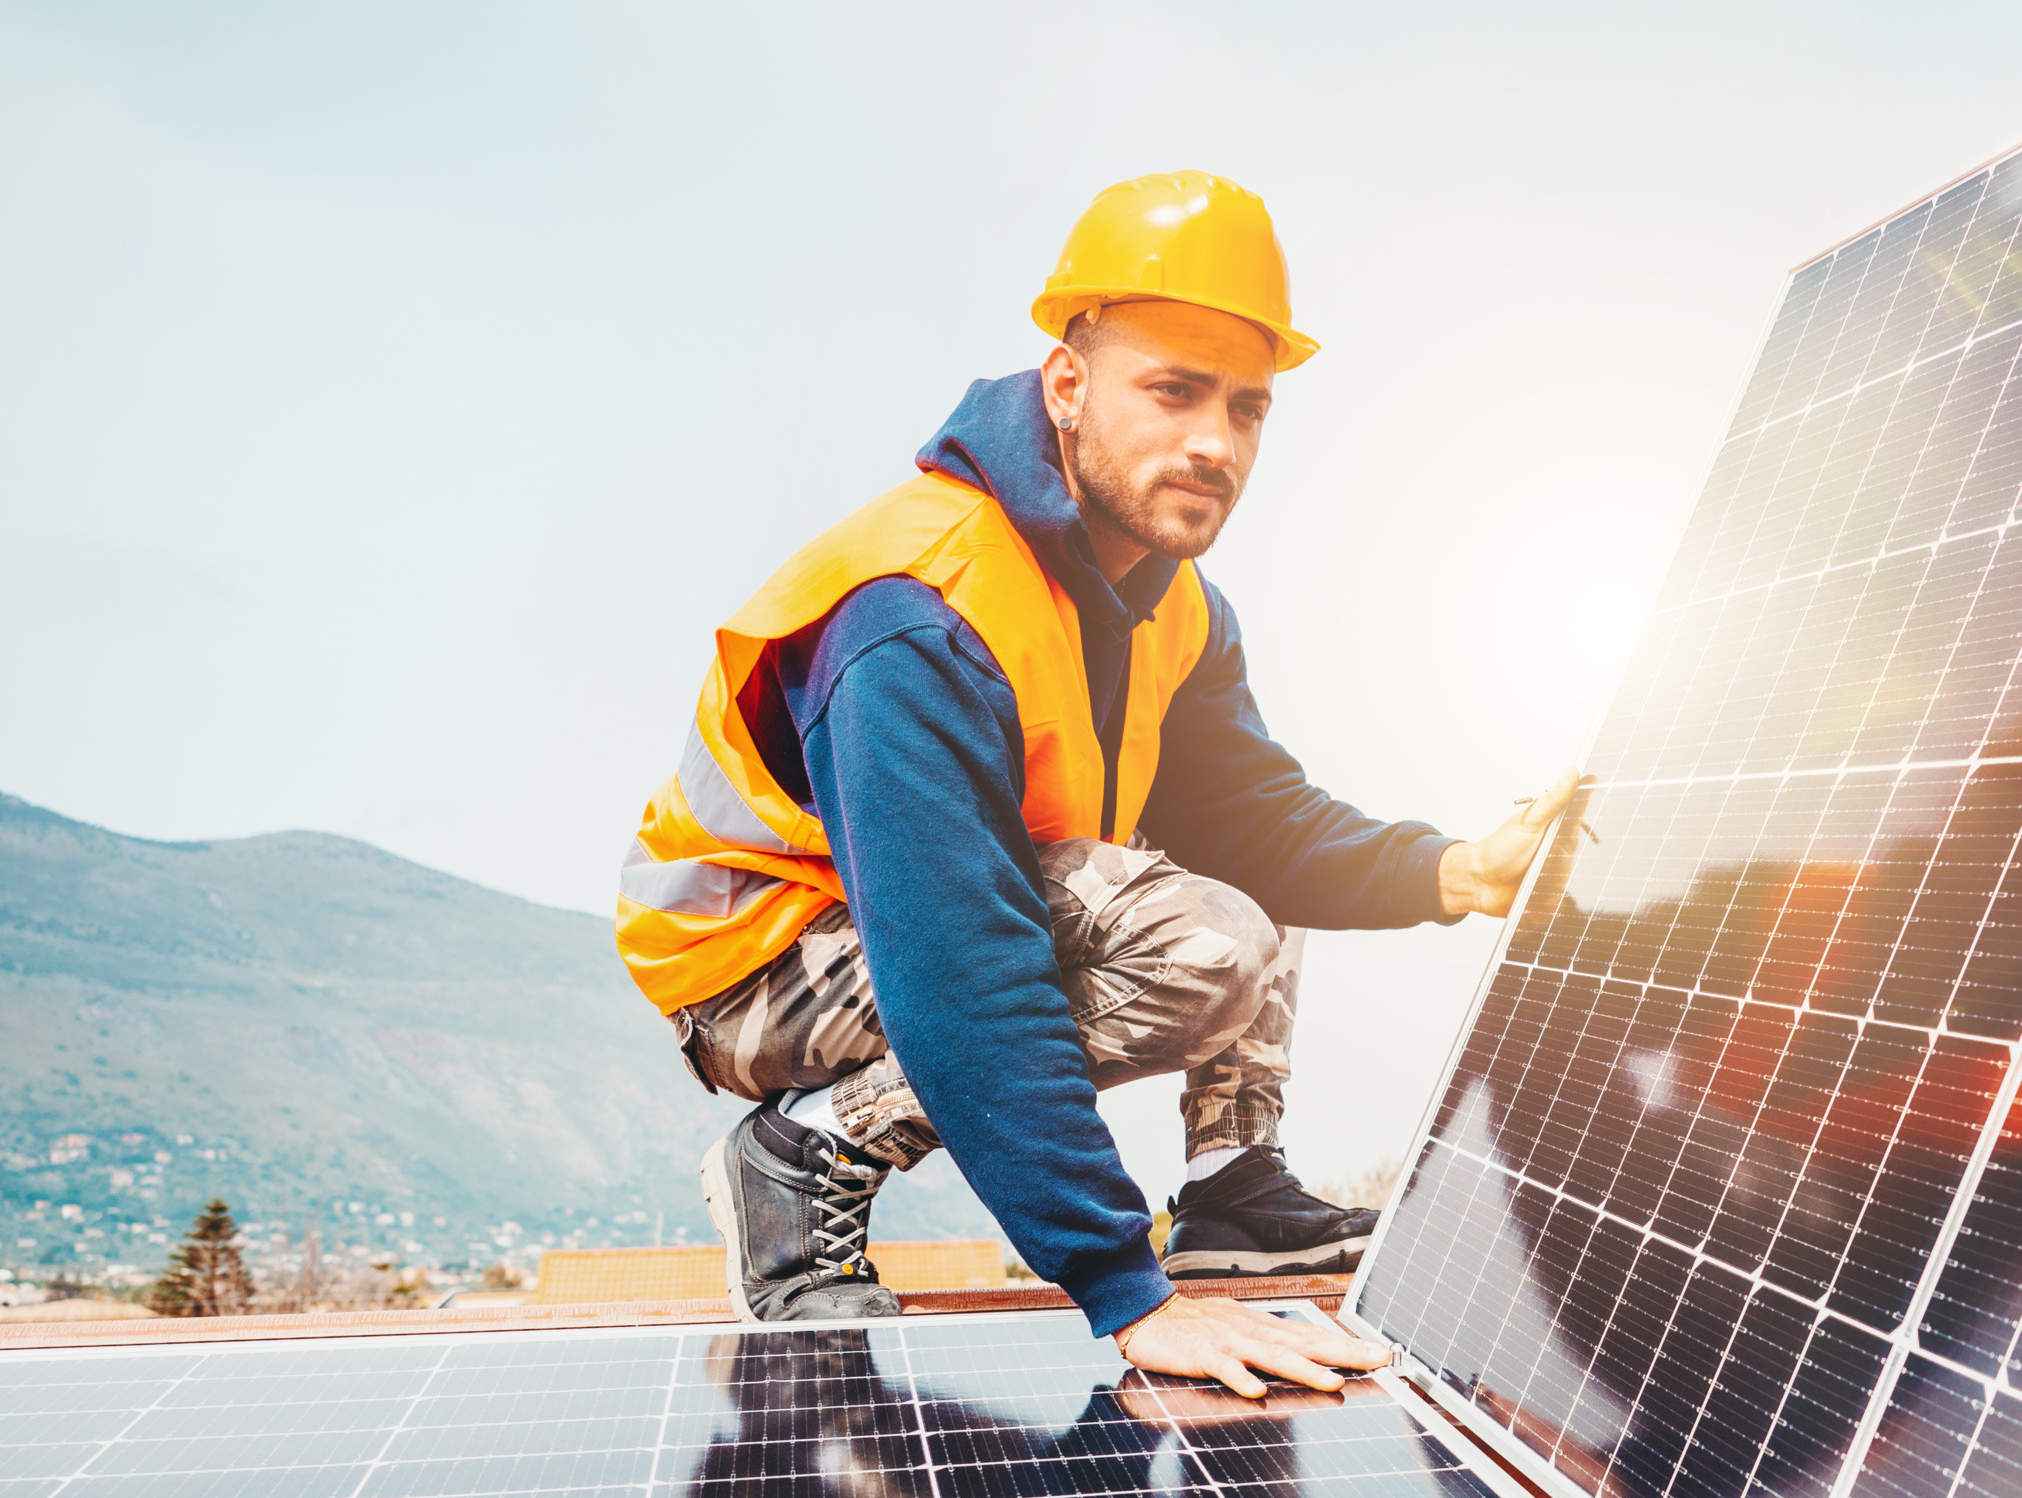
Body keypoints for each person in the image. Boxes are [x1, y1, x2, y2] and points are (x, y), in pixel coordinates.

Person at [615, 170, 1568, 1391]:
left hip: (944, 915)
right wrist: (1123, 1287)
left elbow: (1249, 817)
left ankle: (1230, 1188)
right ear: (1066, 384)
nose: (1213, 443)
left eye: (1246, 406)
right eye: (1170, 391)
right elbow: (961, 962)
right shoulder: (916, 616)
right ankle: (802, 1152)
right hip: (757, 964)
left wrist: (1450, 869)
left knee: (1225, 885)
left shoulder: (1171, 603)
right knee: (1203, 936)